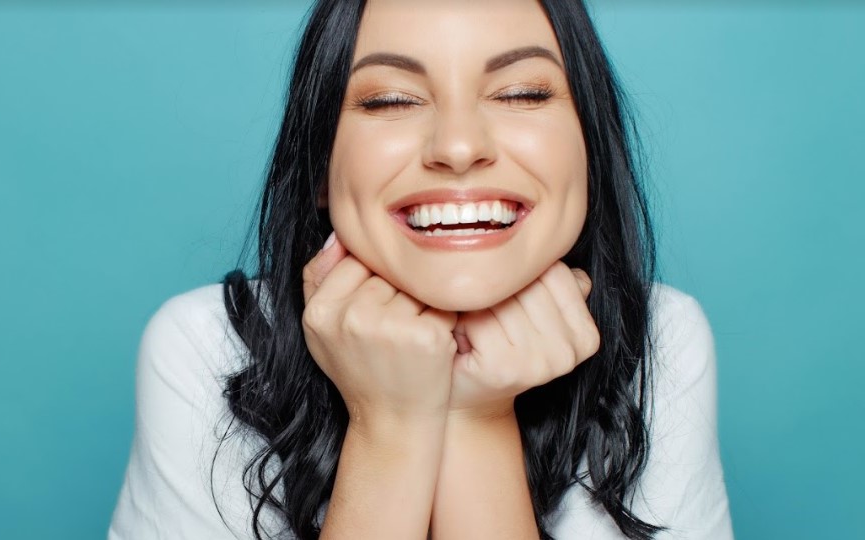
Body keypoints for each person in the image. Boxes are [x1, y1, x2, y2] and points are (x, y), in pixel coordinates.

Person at [108, 0, 734, 538]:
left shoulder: (663, 340)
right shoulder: (204, 348)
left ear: (590, 145)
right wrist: (390, 428)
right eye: (390, 100)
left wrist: (477, 417)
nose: (458, 148)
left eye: (522, 93)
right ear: (320, 169)